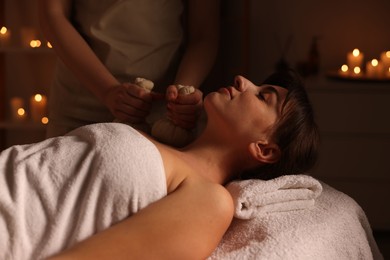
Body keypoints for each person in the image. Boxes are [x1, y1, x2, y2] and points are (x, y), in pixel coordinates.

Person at [0, 71, 319, 259]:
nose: (242, 79)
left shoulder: (210, 200)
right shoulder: (159, 141)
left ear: (265, 149)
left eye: (264, 97)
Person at [38, 0, 220, 137]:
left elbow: (204, 34)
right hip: (80, 110)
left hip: (161, 120)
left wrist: (182, 95)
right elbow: (52, 15)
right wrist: (108, 92)